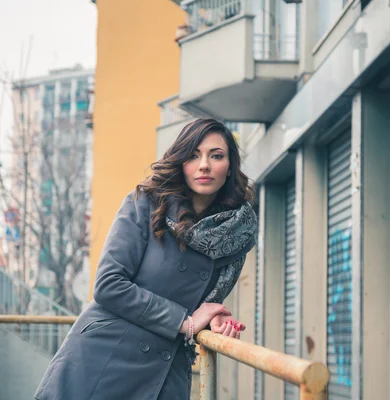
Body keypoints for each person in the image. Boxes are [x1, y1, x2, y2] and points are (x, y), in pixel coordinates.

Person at [34, 118, 258, 400]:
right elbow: (108, 285)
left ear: (229, 168)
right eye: (193, 155)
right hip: (103, 360)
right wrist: (185, 323)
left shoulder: (237, 231)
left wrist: (212, 318)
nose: (204, 165)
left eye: (216, 156)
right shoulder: (147, 203)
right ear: (181, 163)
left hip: (165, 372)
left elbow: (201, 301)